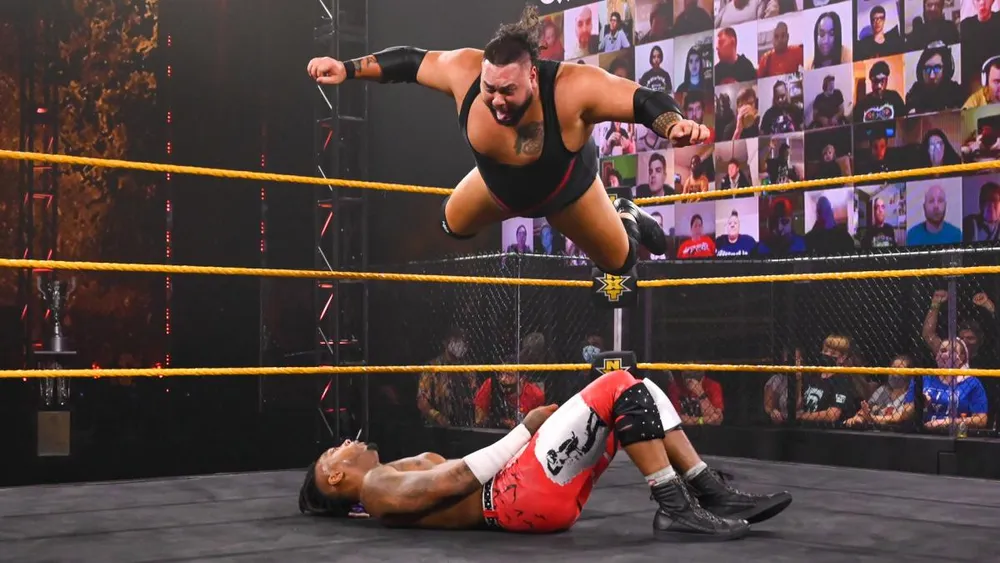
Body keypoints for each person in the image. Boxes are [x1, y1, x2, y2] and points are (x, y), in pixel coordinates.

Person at [306, 7, 709, 278]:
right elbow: (410, 61)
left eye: (508, 91)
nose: (497, 101)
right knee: (450, 223)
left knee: (620, 265)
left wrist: (673, 124)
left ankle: (625, 212)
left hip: (567, 192)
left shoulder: (572, 88)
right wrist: (346, 68)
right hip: (497, 186)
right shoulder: (463, 70)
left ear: (532, 76)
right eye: (490, 89)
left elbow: (642, 100)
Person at [299, 369, 793, 539]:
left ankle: (704, 493)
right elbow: (452, 482)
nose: (343, 445)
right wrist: (523, 431)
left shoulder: (383, 480)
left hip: (523, 495)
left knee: (637, 388)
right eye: (332, 455)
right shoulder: (376, 487)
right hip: (512, 495)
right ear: (337, 477)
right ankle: (679, 504)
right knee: (618, 384)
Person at [903, 43, 964, 115]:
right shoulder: (914, 94)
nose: (932, 76)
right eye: (927, 69)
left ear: (946, 69)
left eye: (937, 68)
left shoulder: (955, 92)